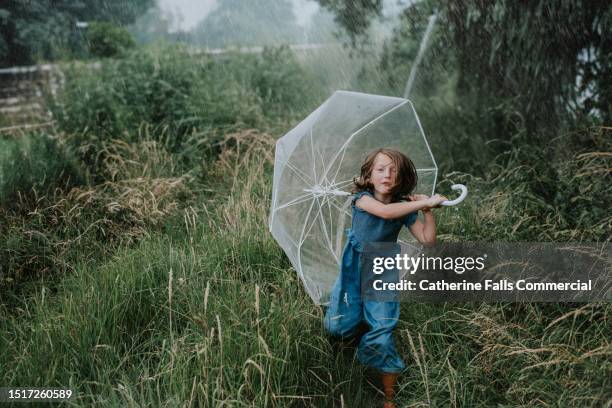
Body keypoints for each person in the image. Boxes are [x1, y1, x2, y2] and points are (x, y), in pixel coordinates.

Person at [324, 148, 446, 408]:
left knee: (382, 326)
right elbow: (385, 213)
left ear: (401, 178)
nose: (387, 175)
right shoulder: (363, 199)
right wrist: (423, 202)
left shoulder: (405, 208)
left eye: (394, 170)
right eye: (380, 169)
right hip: (354, 266)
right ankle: (355, 337)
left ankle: (388, 396)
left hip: (381, 268)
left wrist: (428, 211)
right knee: (338, 326)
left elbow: (428, 240)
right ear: (369, 176)